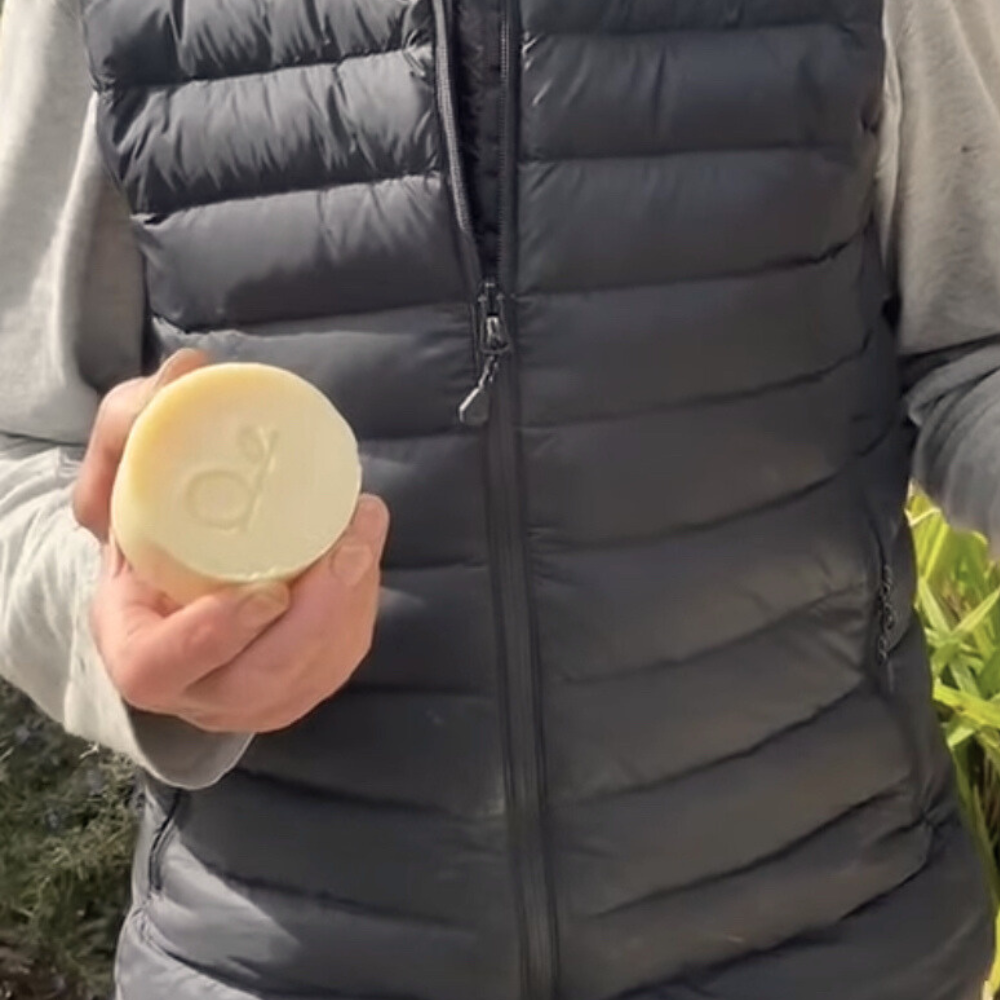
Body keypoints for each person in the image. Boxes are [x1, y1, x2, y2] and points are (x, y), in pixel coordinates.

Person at [1, 0, 999, 996]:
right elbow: (19, 448)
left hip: (832, 949)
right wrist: (124, 636)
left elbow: (975, 340)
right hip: (273, 962)